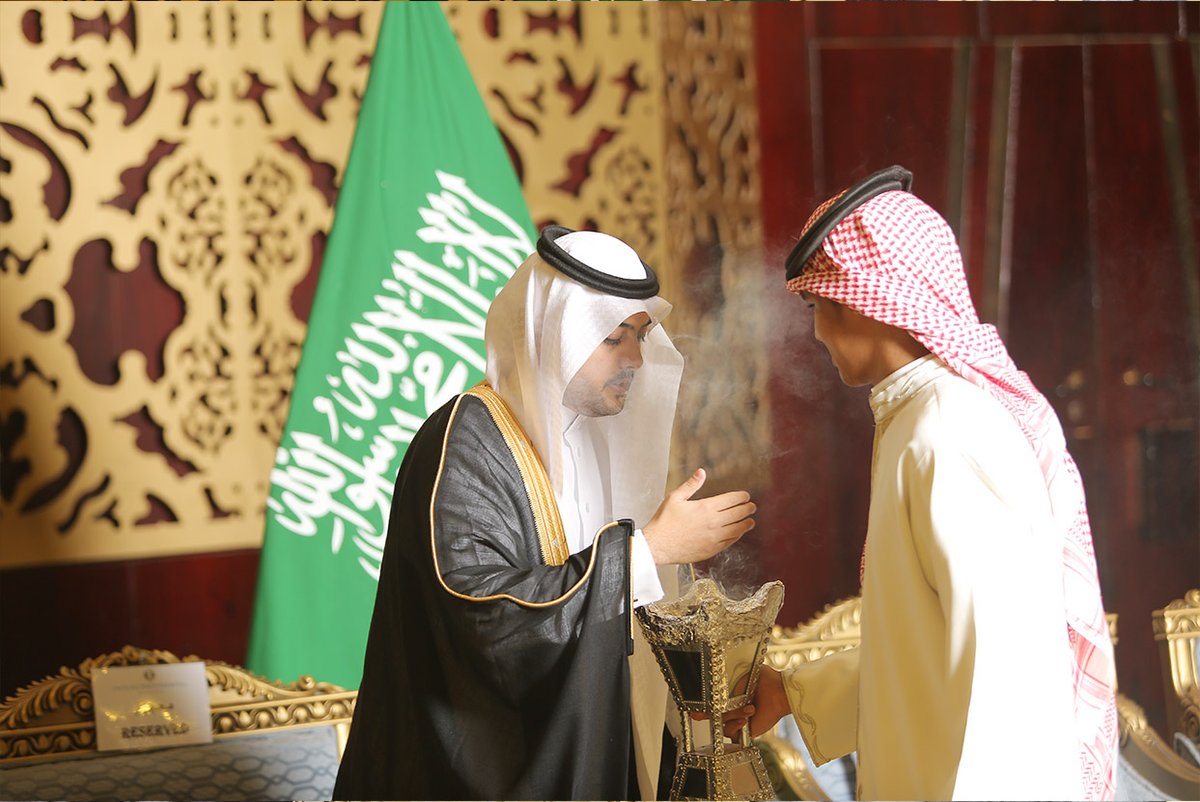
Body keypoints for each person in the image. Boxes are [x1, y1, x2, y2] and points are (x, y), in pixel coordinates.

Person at [728, 166, 1118, 800]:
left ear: (867, 301)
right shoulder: (918, 416)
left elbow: (998, 668)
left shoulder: (947, 430)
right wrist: (793, 692)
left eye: (821, 307)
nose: (818, 333)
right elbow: (924, 647)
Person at [332, 225, 757, 800]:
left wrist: (695, 674)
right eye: (613, 338)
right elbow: (482, 619)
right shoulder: (465, 440)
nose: (635, 358)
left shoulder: (595, 435)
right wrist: (649, 552)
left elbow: (616, 616)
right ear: (553, 336)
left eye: (639, 335)